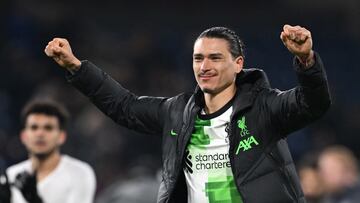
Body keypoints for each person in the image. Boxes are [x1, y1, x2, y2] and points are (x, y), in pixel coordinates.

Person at [44, 24, 331, 203]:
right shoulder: (177, 112)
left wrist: (306, 61)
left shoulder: (265, 107)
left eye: (215, 57)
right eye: (198, 58)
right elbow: (125, 107)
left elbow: (313, 104)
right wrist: (76, 68)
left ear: (238, 64)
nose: (204, 66)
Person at [3, 100, 96, 203]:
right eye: (34, 128)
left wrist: (35, 200)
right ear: (24, 136)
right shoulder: (12, 175)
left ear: (61, 136)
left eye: (48, 128)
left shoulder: (79, 173)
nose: (40, 134)